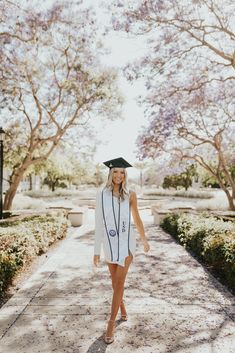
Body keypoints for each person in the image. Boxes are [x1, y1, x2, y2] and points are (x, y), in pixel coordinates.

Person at [93, 157, 150, 344]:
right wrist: (96, 251)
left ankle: (110, 323)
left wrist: (144, 240)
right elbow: (99, 224)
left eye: (122, 172)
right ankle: (123, 310)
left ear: (125, 175)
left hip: (126, 246)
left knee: (119, 282)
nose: (119, 175)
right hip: (109, 245)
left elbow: (138, 219)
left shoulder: (130, 194)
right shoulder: (101, 194)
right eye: (115, 172)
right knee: (114, 283)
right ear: (110, 173)